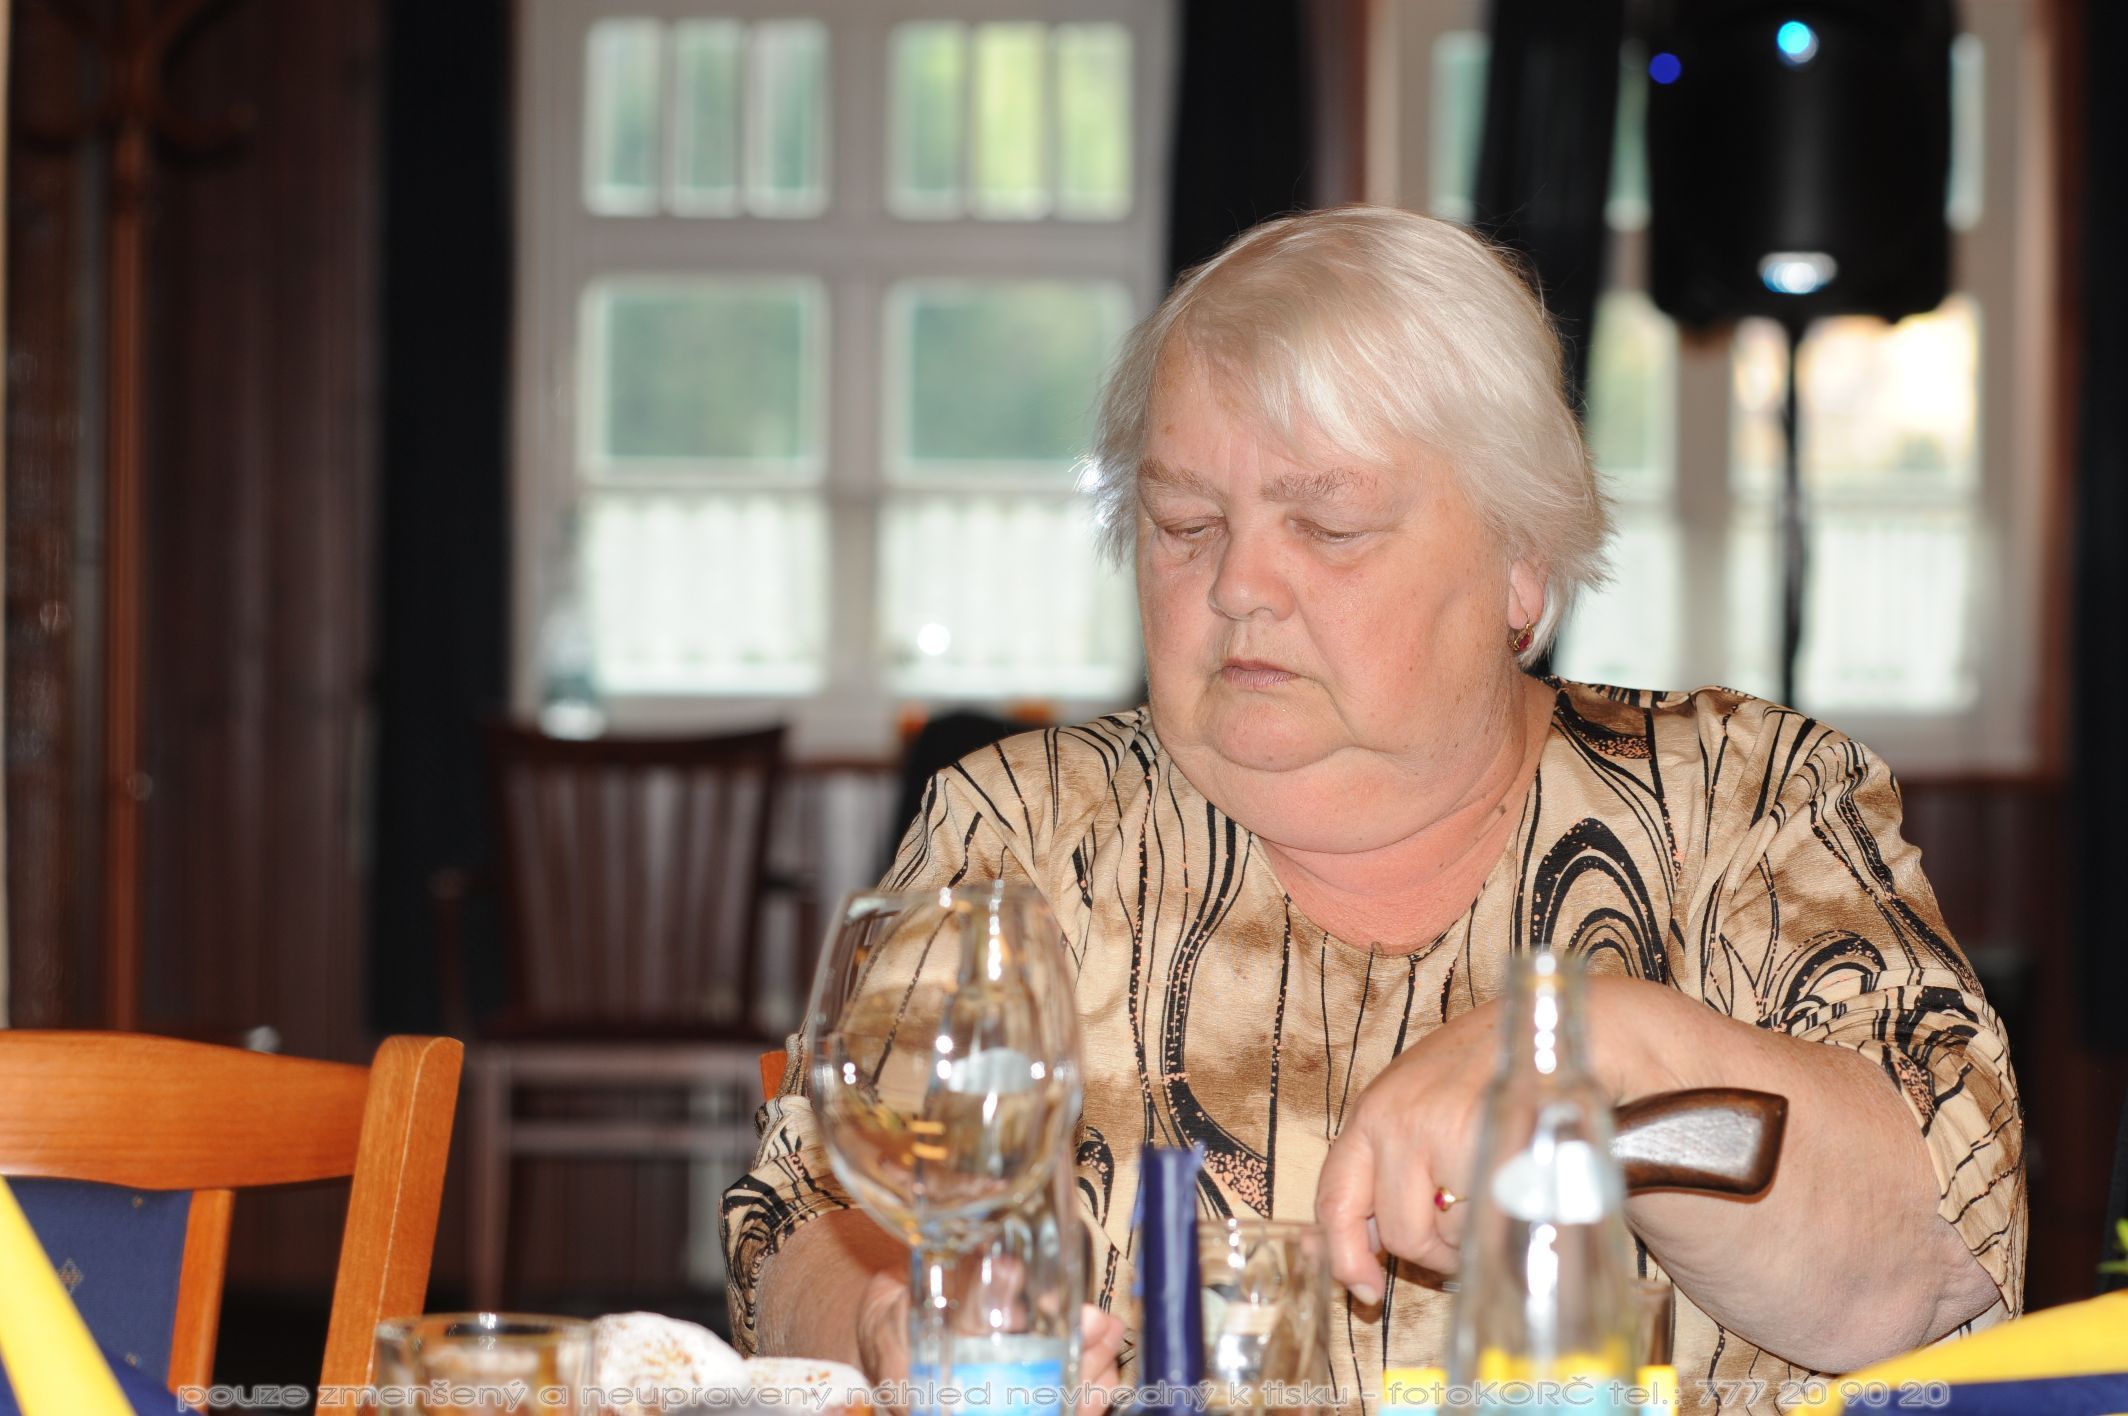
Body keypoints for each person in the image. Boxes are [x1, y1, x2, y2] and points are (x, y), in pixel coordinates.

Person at [720, 206, 2023, 1405]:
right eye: (1184, 524)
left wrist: (1590, 1046)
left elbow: (1940, 1259)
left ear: (1523, 563)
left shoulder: (1746, 800)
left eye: (1329, 526)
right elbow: (805, 1221)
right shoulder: (1026, 830)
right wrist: (885, 1321)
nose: (1238, 585)